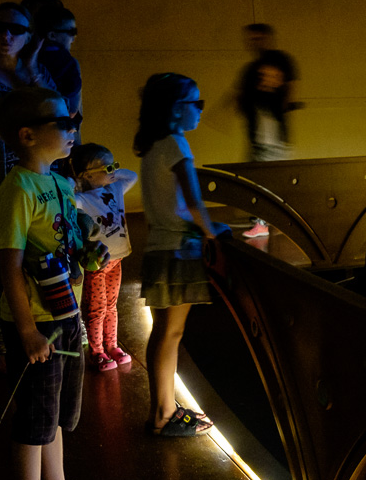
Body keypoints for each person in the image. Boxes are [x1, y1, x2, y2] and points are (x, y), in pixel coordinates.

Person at [0, 86, 113, 480]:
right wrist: (25, 329)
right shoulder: (18, 189)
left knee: (56, 416)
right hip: (37, 324)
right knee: (34, 420)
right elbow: (9, 263)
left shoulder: (62, 184)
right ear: (27, 135)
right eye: (64, 124)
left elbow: (68, 245)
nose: (73, 131)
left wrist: (91, 254)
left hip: (64, 316)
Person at [136, 73, 227, 436]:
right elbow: (192, 204)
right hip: (178, 250)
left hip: (158, 248)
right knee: (172, 334)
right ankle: (163, 414)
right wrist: (213, 231)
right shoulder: (176, 144)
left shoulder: (154, 144)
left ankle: (164, 407)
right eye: (196, 103)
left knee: (162, 333)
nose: (200, 111)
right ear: (176, 110)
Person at [0, 2, 55, 358]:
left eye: (16, 30)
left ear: (29, 36)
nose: (6, 36)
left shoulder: (37, 71)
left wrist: (31, 71)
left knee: (45, 246)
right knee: (2, 254)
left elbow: (59, 117)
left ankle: (46, 320)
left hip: (41, 177)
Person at [69, 143, 137, 372]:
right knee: (97, 308)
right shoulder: (83, 199)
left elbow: (132, 175)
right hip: (97, 262)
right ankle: (97, 351)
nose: (113, 171)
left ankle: (113, 345)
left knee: (112, 306)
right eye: (107, 167)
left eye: (113, 166)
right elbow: (68, 195)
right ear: (86, 174)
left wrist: (111, 171)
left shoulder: (116, 189)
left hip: (117, 259)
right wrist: (76, 181)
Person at [235, 24, 301, 237]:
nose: (254, 43)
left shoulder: (271, 64)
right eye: (252, 40)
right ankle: (270, 222)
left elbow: (290, 88)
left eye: (257, 39)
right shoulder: (254, 68)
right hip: (264, 135)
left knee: (263, 180)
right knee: (263, 179)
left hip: (270, 135)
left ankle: (264, 223)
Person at [32, 4, 83, 121]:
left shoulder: (26, 59)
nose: (74, 38)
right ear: (52, 35)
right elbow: (72, 110)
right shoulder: (68, 62)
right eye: (71, 32)